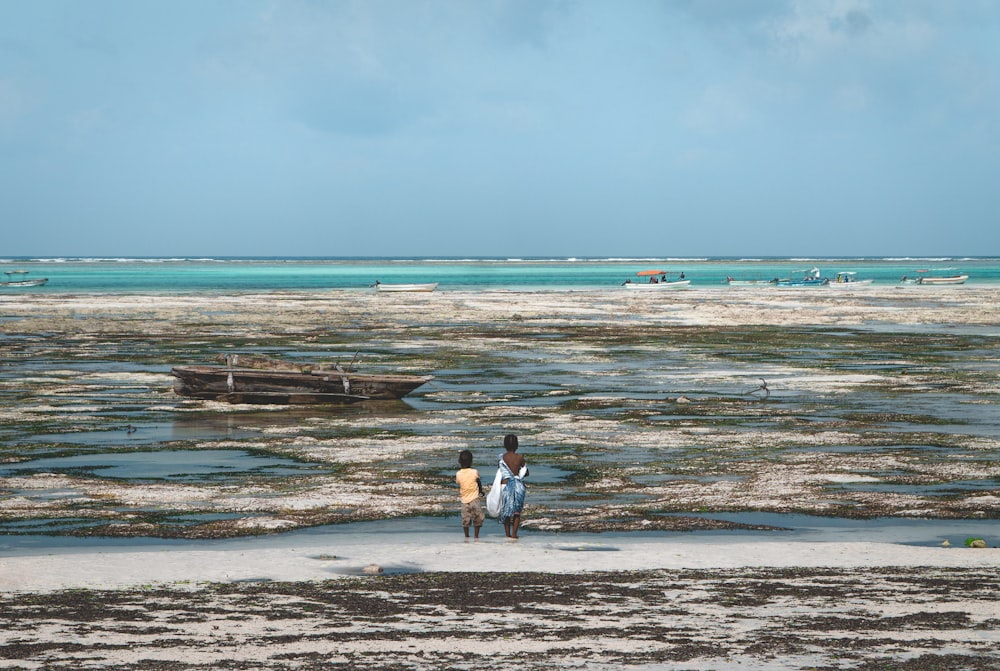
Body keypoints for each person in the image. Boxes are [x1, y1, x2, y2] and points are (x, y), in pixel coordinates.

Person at [496, 434, 529, 539]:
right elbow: (526, 471)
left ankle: (507, 534)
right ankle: (514, 534)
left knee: (506, 510)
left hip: (505, 485)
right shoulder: (520, 457)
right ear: (517, 445)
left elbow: (501, 471)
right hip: (517, 486)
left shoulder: (502, 458)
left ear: (505, 445)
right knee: (516, 512)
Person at [455, 450, 485, 539]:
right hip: (475, 498)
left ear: (459, 461)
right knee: (478, 517)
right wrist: (481, 491)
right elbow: (478, 482)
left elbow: (459, 482)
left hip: (464, 500)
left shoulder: (458, 474)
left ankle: (466, 536)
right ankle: (476, 535)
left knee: (465, 519)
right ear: (471, 461)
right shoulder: (474, 472)